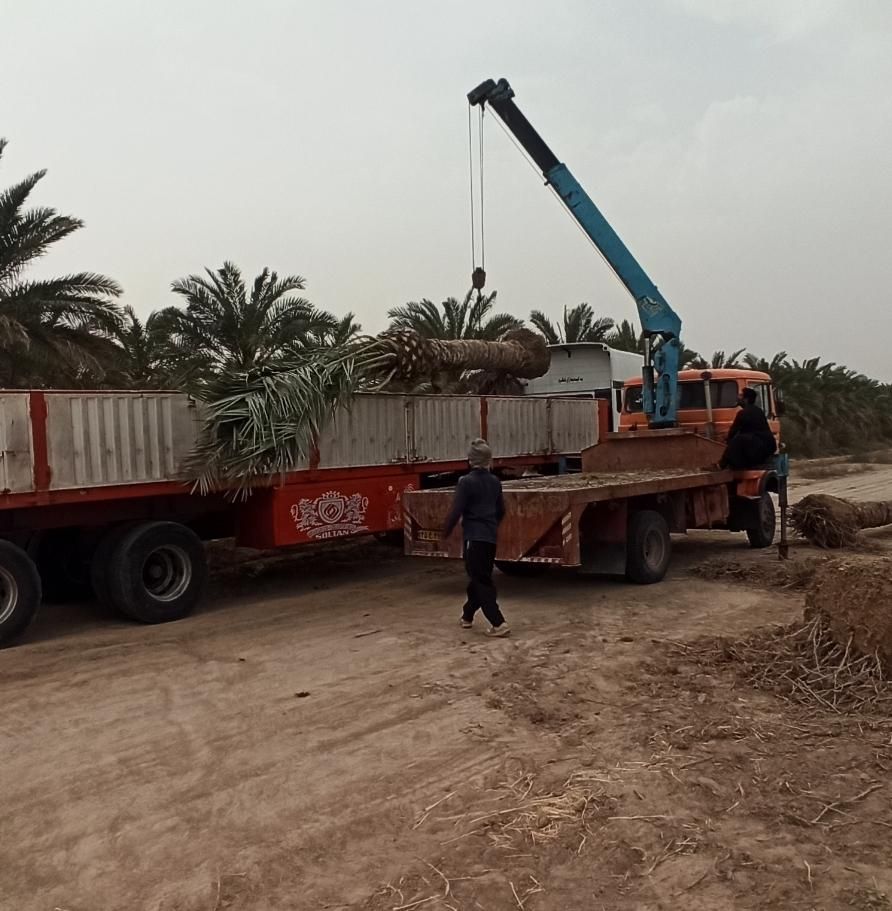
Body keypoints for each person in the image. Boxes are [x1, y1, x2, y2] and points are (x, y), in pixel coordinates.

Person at [442, 438, 510, 637]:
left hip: (473, 537)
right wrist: (491, 525)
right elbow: (501, 510)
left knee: (481, 580)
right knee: (479, 577)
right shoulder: (495, 481)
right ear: (489, 460)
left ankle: (498, 623)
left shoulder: (466, 482)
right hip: (489, 537)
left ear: (470, 461)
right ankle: (467, 616)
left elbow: (456, 510)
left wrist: (445, 532)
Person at [720, 387, 777, 470]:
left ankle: (721, 465)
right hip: (768, 447)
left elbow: (732, 432)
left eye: (740, 396)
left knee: (737, 440)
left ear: (746, 399)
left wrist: (727, 441)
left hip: (758, 448)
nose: (737, 397)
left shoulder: (743, 413)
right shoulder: (759, 411)